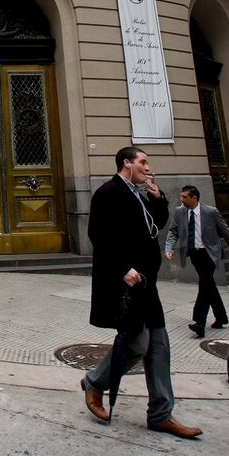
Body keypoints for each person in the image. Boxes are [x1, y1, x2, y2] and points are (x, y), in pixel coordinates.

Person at [80, 146, 202, 439]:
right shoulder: (108, 193)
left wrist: (158, 198)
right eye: (143, 162)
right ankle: (95, 382)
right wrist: (123, 268)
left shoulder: (139, 195)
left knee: (159, 347)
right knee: (136, 345)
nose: (148, 168)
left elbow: (154, 226)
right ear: (127, 163)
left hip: (148, 284)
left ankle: (161, 413)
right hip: (128, 285)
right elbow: (98, 235)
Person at [164, 185, 229, 338]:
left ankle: (199, 323)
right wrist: (169, 248)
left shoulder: (211, 212)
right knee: (209, 285)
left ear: (194, 198)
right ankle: (221, 316)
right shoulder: (180, 212)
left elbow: (226, 233)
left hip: (210, 253)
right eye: (181, 197)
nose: (182, 200)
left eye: (185, 197)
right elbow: (173, 231)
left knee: (204, 283)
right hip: (194, 254)